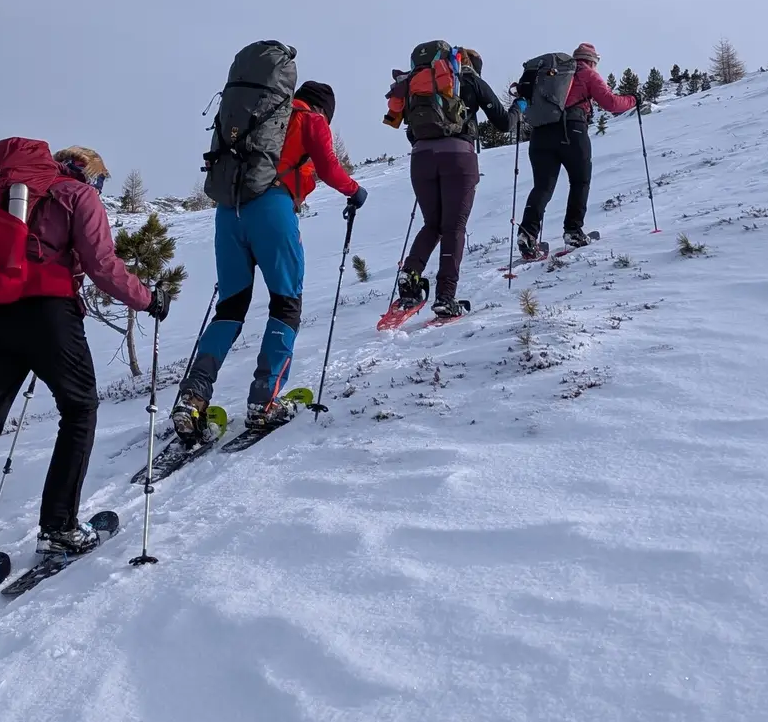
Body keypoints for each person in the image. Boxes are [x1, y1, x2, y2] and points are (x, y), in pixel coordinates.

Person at [0, 146, 166, 602]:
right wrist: (148, 299)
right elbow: (102, 265)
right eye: (101, 180)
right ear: (88, 173)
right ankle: (59, 528)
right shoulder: (77, 195)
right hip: (50, 315)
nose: (100, 188)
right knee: (79, 411)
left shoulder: (9, 191)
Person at [172, 81, 364, 440]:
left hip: (229, 213)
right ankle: (264, 401)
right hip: (273, 209)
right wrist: (355, 191)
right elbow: (328, 168)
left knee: (229, 308)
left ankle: (192, 398)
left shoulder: (260, 114)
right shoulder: (311, 120)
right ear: (325, 109)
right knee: (286, 303)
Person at [387, 45, 511, 317]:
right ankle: (445, 296)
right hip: (458, 157)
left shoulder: (417, 83)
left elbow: (410, 131)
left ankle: (410, 277)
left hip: (421, 159)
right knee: (454, 227)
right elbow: (504, 124)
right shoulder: (471, 81)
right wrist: (519, 107)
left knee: (432, 224)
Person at [514, 43, 637, 256]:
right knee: (580, 181)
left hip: (540, 134)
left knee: (542, 187)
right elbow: (611, 103)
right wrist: (634, 99)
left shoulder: (551, 74)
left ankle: (527, 234)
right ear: (592, 61)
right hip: (572, 131)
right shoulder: (587, 73)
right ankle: (573, 231)